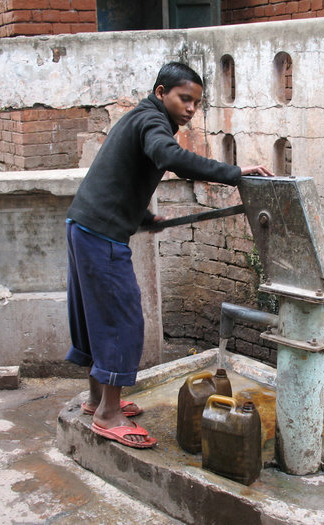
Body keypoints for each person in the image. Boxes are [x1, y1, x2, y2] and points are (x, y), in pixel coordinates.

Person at [65, 61, 274, 448]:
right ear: (161, 92)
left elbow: (120, 175)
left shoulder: (140, 118)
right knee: (120, 321)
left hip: (86, 224)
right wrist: (234, 172)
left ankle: (97, 401)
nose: (191, 108)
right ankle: (109, 416)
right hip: (102, 235)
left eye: (196, 102)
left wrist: (143, 216)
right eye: (184, 98)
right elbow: (170, 157)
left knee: (97, 318)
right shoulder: (152, 121)